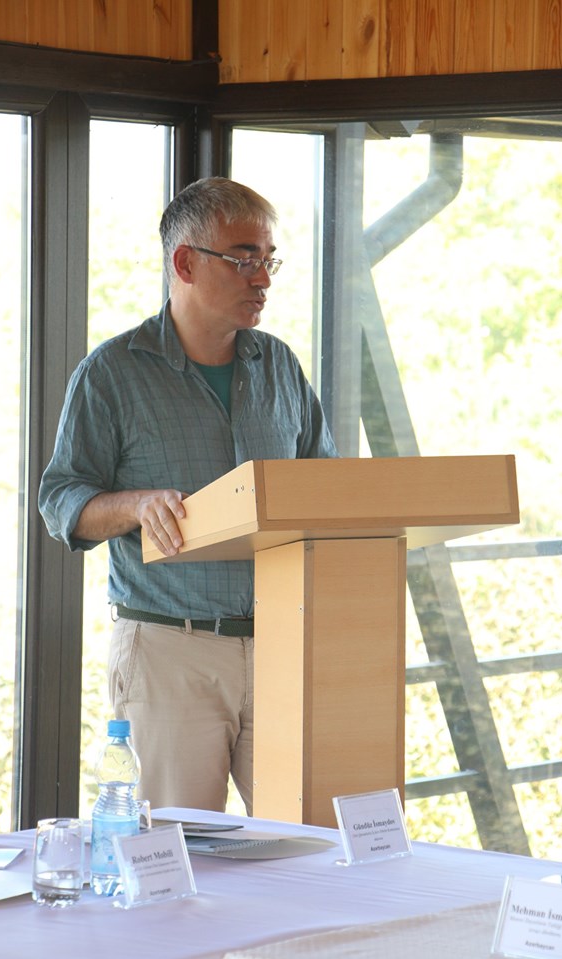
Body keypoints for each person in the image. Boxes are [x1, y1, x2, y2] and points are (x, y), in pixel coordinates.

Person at [38, 176, 338, 816]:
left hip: (285, 645)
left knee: (306, 842)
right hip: (170, 651)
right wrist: (134, 506)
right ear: (185, 263)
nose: (263, 278)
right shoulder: (111, 373)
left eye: (269, 260)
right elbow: (61, 501)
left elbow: (328, 488)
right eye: (245, 259)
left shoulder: (281, 366)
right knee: (173, 852)